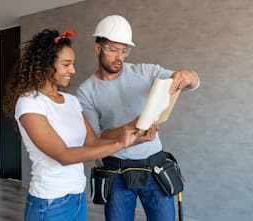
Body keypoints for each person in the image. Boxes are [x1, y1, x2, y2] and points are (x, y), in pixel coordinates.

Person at [2, 29, 150, 221]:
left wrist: (133, 133)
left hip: (78, 197)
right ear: (46, 65)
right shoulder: (30, 103)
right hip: (49, 203)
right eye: (66, 64)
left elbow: (91, 142)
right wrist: (121, 144)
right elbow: (63, 155)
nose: (73, 70)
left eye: (73, 64)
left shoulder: (71, 101)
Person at [76, 15, 200, 221]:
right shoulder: (86, 92)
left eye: (124, 50)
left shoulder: (145, 72)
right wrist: (129, 128)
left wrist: (187, 75)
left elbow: (192, 83)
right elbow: (95, 138)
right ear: (98, 48)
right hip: (116, 173)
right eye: (113, 49)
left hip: (155, 167)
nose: (120, 57)